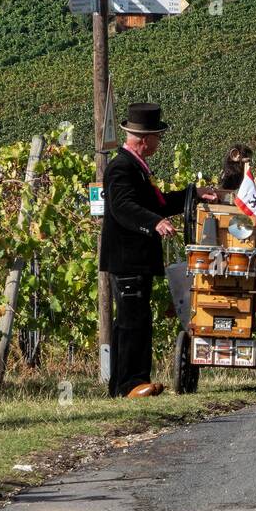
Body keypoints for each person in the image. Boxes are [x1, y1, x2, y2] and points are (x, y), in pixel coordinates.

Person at [99, 102, 216, 398]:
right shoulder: (121, 168)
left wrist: (193, 194)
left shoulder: (136, 168)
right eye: (157, 137)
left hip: (136, 261)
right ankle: (129, 384)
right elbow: (123, 207)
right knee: (132, 321)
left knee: (134, 319)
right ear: (144, 139)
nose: (159, 142)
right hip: (127, 260)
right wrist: (154, 224)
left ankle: (127, 383)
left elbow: (158, 202)